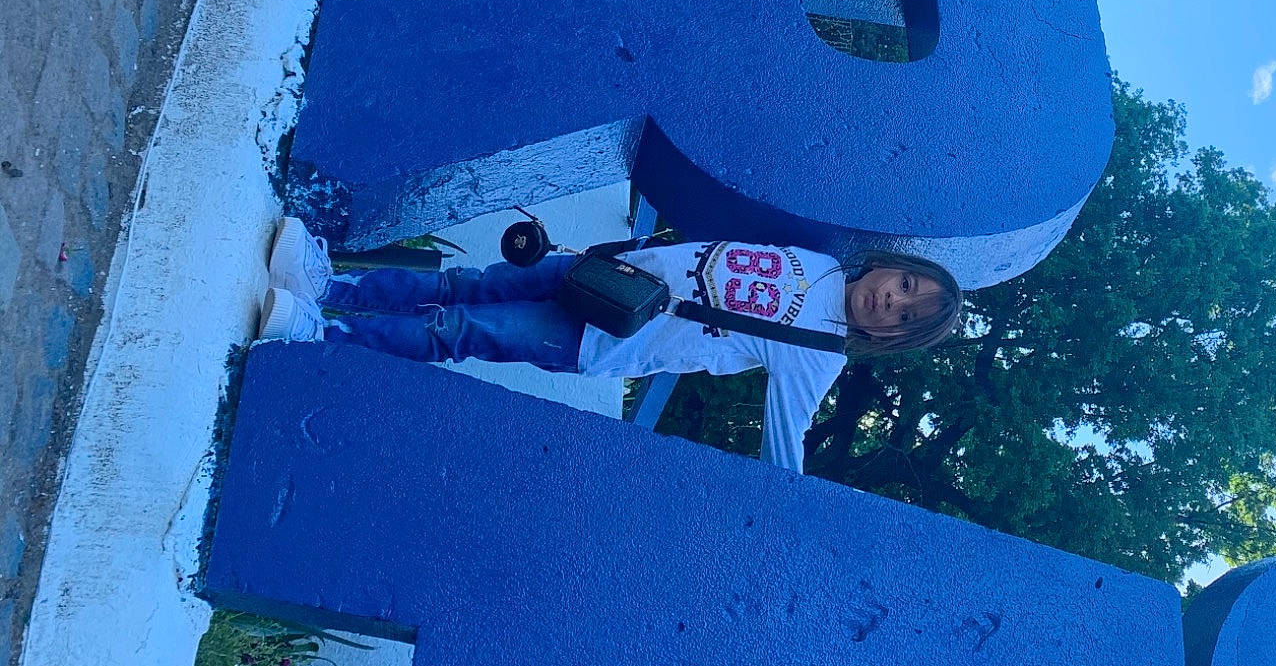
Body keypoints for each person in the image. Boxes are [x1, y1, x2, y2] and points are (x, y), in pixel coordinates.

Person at [255, 218, 961, 473]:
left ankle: (325, 337)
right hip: (607, 271)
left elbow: (787, 444)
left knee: (459, 330)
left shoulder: (820, 354)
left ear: (886, 337)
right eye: (904, 284)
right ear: (889, 267)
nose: (892, 299)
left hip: (607, 337)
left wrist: (795, 514)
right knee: (470, 283)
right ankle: (333, 288)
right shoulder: (827, 259)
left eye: (903, 315)